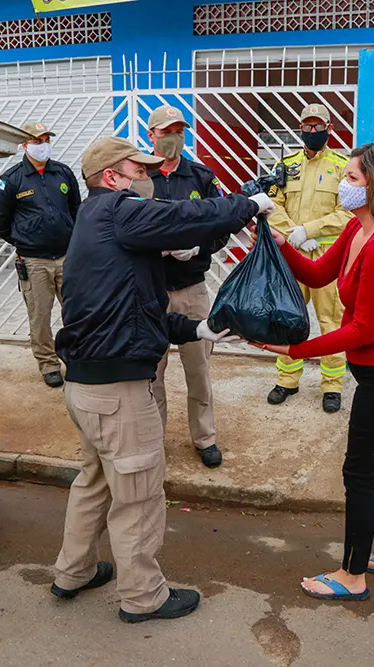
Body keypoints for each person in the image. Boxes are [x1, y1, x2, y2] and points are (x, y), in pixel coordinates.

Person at [50, 137, 274, 624]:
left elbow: (136, 310)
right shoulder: (117, 209)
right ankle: (143, 596)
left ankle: (73, 571)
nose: (146, 178)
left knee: (94, 481)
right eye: (137, 169)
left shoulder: (96, 222)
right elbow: (185, 217)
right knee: (139, 495)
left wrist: (198, 328)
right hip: (119, 394)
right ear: (112, 176)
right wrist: (247, 205)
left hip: (87, 389)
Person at [254, 143, 374, 601]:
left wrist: (297, 348)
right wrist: (279, 244)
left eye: (351, 179)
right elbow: (315, 275)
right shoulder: (357, 228)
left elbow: (363, 330)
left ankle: (352, 577)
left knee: (360, 475)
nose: (342, 185)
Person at [146, 105, 230, 469]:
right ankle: (153, 440)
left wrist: (199, 246)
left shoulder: (200, 176)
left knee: (198, 373)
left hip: (192, 292)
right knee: (152, 374)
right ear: (151, 135)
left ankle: (204, 438)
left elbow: (221, 224)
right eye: (166, 131)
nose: (173, 138)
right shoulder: (138, 177)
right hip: (150, 293)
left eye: (179, 130)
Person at [266, 103, 354, 414]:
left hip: (327, 258)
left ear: (330, 129)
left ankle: (332, 385)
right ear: (300, 128)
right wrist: (294, 233)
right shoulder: (287, 165)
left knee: (331, 321)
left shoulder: (342, 167)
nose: (312, 131)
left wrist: (312, 229)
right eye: (307, 126)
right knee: (288, 319)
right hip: (293, 253)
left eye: (318, 126)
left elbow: (348, 212)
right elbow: (271, 203)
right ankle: (287, 379)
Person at [0, 121, 81, 388]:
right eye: (37, 141)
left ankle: (78, 358)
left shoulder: (63, 173)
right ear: (24, 145)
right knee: (40, 316)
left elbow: (76, 210)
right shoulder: (11, 179)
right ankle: (49, 363)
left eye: (45, 140)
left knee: (76, 312)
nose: (43, 146)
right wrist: (25, 240)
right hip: (35, 261)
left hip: (68, 258)